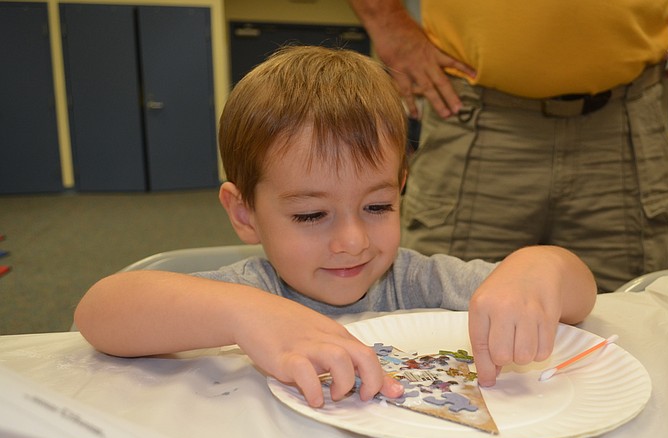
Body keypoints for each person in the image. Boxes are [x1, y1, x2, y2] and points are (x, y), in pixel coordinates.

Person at [74, 46, 597, 409]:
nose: (353, 242)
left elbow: (579, 297)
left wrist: (537, 267)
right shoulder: (251, 291)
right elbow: (100, 312)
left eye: (377, 207)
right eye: (309, 215)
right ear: (244, 214)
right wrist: (245, 316)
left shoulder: (418, 282)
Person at [346, 0, 668, 292]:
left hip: (623, 122)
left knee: (622, 318)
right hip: (474, 116)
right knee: (441, 313)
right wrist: (387, 21)